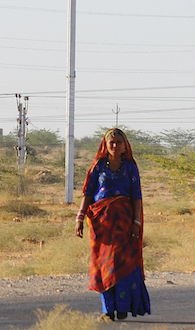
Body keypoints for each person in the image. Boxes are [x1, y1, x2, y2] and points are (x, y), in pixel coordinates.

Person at [75, 128, 151, 321]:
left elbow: (136, 196)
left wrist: (136, 222)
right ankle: (107, 309)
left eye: (119, 142)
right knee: (104, 265)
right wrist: (80, 217)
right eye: (112, 142)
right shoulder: (98, 166)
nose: (115, 145)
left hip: (124, 225)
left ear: (125, 146)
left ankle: (124, 307)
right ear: (105, 145)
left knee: (124, 263)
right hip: (101, 225)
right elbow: (88, 193)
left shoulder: (130, 167)